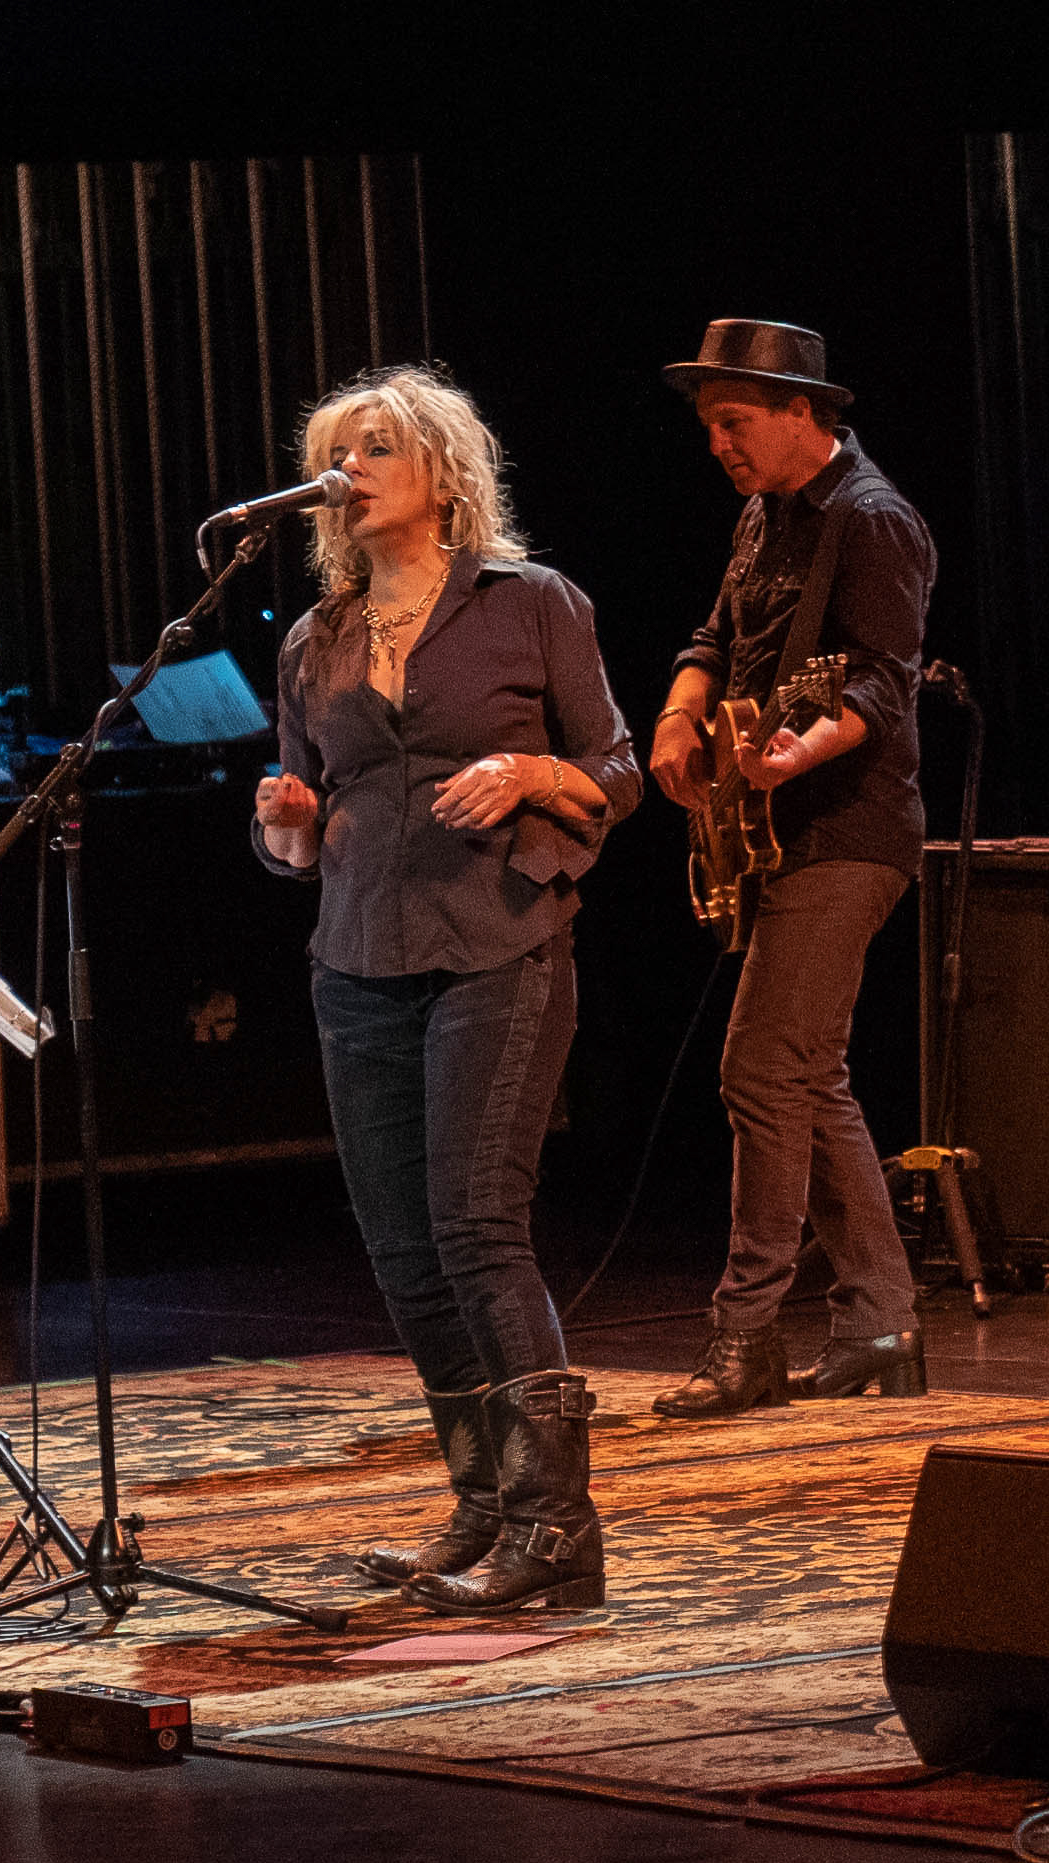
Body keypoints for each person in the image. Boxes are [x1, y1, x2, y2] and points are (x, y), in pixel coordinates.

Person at [251, 366, 641, 1613]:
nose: (347, 473)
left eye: (371, 450)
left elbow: (616, 772)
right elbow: (296, 841)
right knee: (403, 1249)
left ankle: (555, 1522)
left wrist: (531, 768)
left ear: (439, 470)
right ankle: (480, 1502)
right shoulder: (314, 638)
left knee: (476, 1227)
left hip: (497, 945)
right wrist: (289, 824)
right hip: (357, 957)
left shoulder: (530, 607)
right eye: (334, 456)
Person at [645, 320, 935, 1416]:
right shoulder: (764, 513)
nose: (718, 444)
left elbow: (881, 682)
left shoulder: (875, 519)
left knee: (759, 1071)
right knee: (807, 1077)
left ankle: (748, 1333)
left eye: (735, 423)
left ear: (806, 412)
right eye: (711, 426)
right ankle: (883, 1323)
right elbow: (715, 632)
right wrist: (680, 712)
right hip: (780, 827)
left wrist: (805, 745)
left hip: (850, 831)